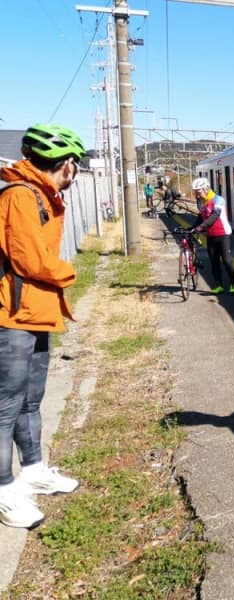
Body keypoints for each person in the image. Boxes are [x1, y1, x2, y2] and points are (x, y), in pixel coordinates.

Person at [0, 123, 85, 529]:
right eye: (75, 164)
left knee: (31, 400)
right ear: (66, 164)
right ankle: (4, 492)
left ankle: (33, 470)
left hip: (35, 312)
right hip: (11, 317)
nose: (75, 171)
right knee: (6, 406)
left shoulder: (40, 194)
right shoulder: (20, 195)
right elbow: (30, 260)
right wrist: (68, 273)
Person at [190, 177, 234, 295]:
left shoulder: (218, 199)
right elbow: (201, 216)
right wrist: (192, 227)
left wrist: (201, 227)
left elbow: (215, 215)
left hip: (223, 234)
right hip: (210, 235)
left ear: (206, 189)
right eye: (195, 192)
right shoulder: (200, 201)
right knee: (214, 262)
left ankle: (233, 284)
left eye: (198, 191)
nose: (197, 194)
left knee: (226, 261)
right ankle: (219, 285)